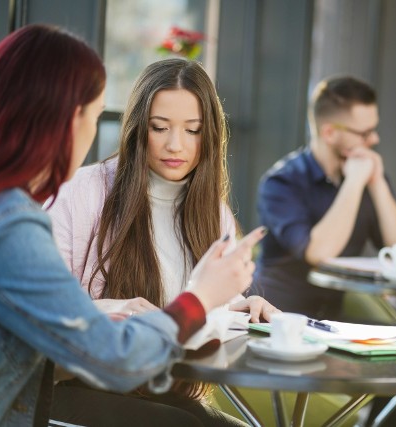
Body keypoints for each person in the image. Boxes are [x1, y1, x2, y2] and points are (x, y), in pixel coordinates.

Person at [0, 25, 265, 427]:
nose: (175, 144)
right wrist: (198, 298)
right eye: (96, 116)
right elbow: (109, 358)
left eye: (192, 130)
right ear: (65, 120)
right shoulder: (7, 225)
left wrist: (226, 304)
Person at [46, 58, 278, 426]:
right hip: (72, 387)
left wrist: (238, 306)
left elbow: (196, 302)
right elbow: (41, 316)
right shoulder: (79, 195)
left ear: (211, 134)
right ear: (139, 128)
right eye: (160, 127)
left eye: (193, 130)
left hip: (156, 388)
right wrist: (111, 309)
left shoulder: (212, 214)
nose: (175, 145)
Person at [251, 75, 396, 320]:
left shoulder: (366, 176)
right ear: (329, 132)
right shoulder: (281, 183)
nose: (374, 140)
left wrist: (378, 184)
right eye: (365, 133)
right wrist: (353, 183)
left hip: (338, 323)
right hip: (277, 320)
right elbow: (318, 253)